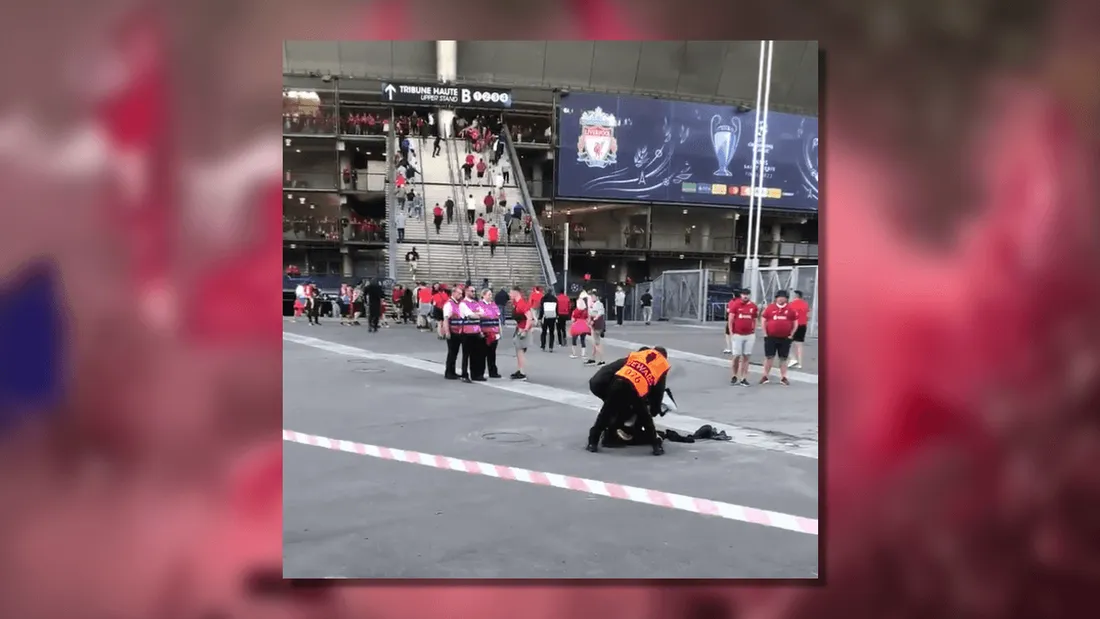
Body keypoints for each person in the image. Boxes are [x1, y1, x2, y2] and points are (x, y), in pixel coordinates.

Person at [586, 347, 670, 455]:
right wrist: (655, 409)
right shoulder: (661, 364)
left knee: (605, 413)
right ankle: (656, 447)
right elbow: (659, 391)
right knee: (646, 417)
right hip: (636, 387)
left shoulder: (640, 355)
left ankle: (592, 443)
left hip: (619, 381)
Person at [760, 290, 798, 385]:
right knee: (769, 357)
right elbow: (763, 319)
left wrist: (791, 334)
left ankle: (783, 377)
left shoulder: (790, 309)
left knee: (783, 358)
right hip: (771, 337)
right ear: (776, 298)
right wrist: (765, 333)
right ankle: (765, 376)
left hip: (785, 338)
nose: (781, 299)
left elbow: (795, 322)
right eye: (779, 297)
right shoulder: (770, 308)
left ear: (786, 299)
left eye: (783, 297)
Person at [729, 288, 759, 386]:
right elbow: (731, 320)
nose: (745, 296)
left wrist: (754, 330)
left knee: (746, 356)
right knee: (736, 356)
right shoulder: (736, 305)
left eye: (747, 294)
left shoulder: (753, 306)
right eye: (743, 294)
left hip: (749, 335)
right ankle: (734, 375)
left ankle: (743, 378)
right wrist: (731, 333)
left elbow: (755, 319)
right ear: (741, 295)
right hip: (737, 334)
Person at [473, 288, 503, 380]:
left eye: (491, 294)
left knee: (492, 353)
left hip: (494, 332)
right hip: (485, 332)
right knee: (482, 354)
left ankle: (493, 371)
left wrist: (500, 331)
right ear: (483, 295)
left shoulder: (494, 305)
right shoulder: (479, 305)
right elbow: (477, 319)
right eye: (489, 294)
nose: (490, 296)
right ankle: (480, 373)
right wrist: (479, 331)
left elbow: (498, 319)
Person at [458, 286, 485, 383]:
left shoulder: (475, 303)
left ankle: (475, 374)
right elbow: (470, 315)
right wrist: (476, 314)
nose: (474, 292)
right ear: (466, 292)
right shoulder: (463, 304)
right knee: (466, 354)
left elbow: (483, 313)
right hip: (466, 332)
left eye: (474, 291)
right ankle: (464, 374)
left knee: (476, 354)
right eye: (472, 291)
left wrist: (476, 314)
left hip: (476, 331)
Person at [442, 286, 468, 379]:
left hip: (460, 331)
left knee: (456, 352)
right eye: (459, 293)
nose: (461, 295)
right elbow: (446, 319)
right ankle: (449, 372)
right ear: (453, 293)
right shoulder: (449, 304)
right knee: (452, 353)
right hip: (453, 331)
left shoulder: (459, 303)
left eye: (461, 293)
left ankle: (452, 371)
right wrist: (447, 332)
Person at [508, 287, 533, 380]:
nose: (509, 295)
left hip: (523, 329)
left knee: (520, 351)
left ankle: (522, 372)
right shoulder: (517, 303)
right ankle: (519, 370)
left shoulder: (522, 303)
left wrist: (525, 330)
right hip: (520, 328)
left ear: (515, 293)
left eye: (511, 293)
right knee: (519, 351)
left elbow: (529, 317)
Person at [788, 290, 811, 368]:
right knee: (799, 345)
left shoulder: (791, 304)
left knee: (786, 343)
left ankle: (793, 358)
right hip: (803, 325)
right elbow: (808, 316)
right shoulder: (805, 304)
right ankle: (800, 363)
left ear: (795, 296)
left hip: (794, 325)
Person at [586, 290, 607, 366]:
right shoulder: (600, 304)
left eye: (593, 296)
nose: (592, 298)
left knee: (596, 343)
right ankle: (593, 358)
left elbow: (594, 314)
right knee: (596, 342)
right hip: (599, 324)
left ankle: (602, 360)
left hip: (596, 325)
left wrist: (590, 311)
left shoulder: (597, 304)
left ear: (597, 297)